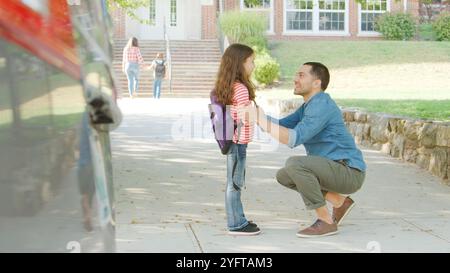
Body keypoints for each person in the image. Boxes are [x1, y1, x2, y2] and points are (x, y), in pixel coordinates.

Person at [254, 62, 366, 238]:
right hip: (332, 168)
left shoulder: (321, 104)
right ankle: (339, 202)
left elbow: (293, 138)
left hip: (348, 171)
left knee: (295, 164)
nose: (295, 79)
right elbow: (281, 126)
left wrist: (261, 121)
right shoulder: (309, 105)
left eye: (301, 75)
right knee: (284, 175)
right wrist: (256, 114)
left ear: (317, 83)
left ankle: (326, 221)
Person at [214, 43, 260, 236]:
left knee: (234, 182)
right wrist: (255, 111)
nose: (254, 65)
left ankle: (238, 217)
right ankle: (235, 224)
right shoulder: (240, 88)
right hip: (238, 142)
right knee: (235, 184)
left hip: (233, 141)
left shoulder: (229, 86)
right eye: (251, 61)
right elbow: (245, 116)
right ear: (239, 63)